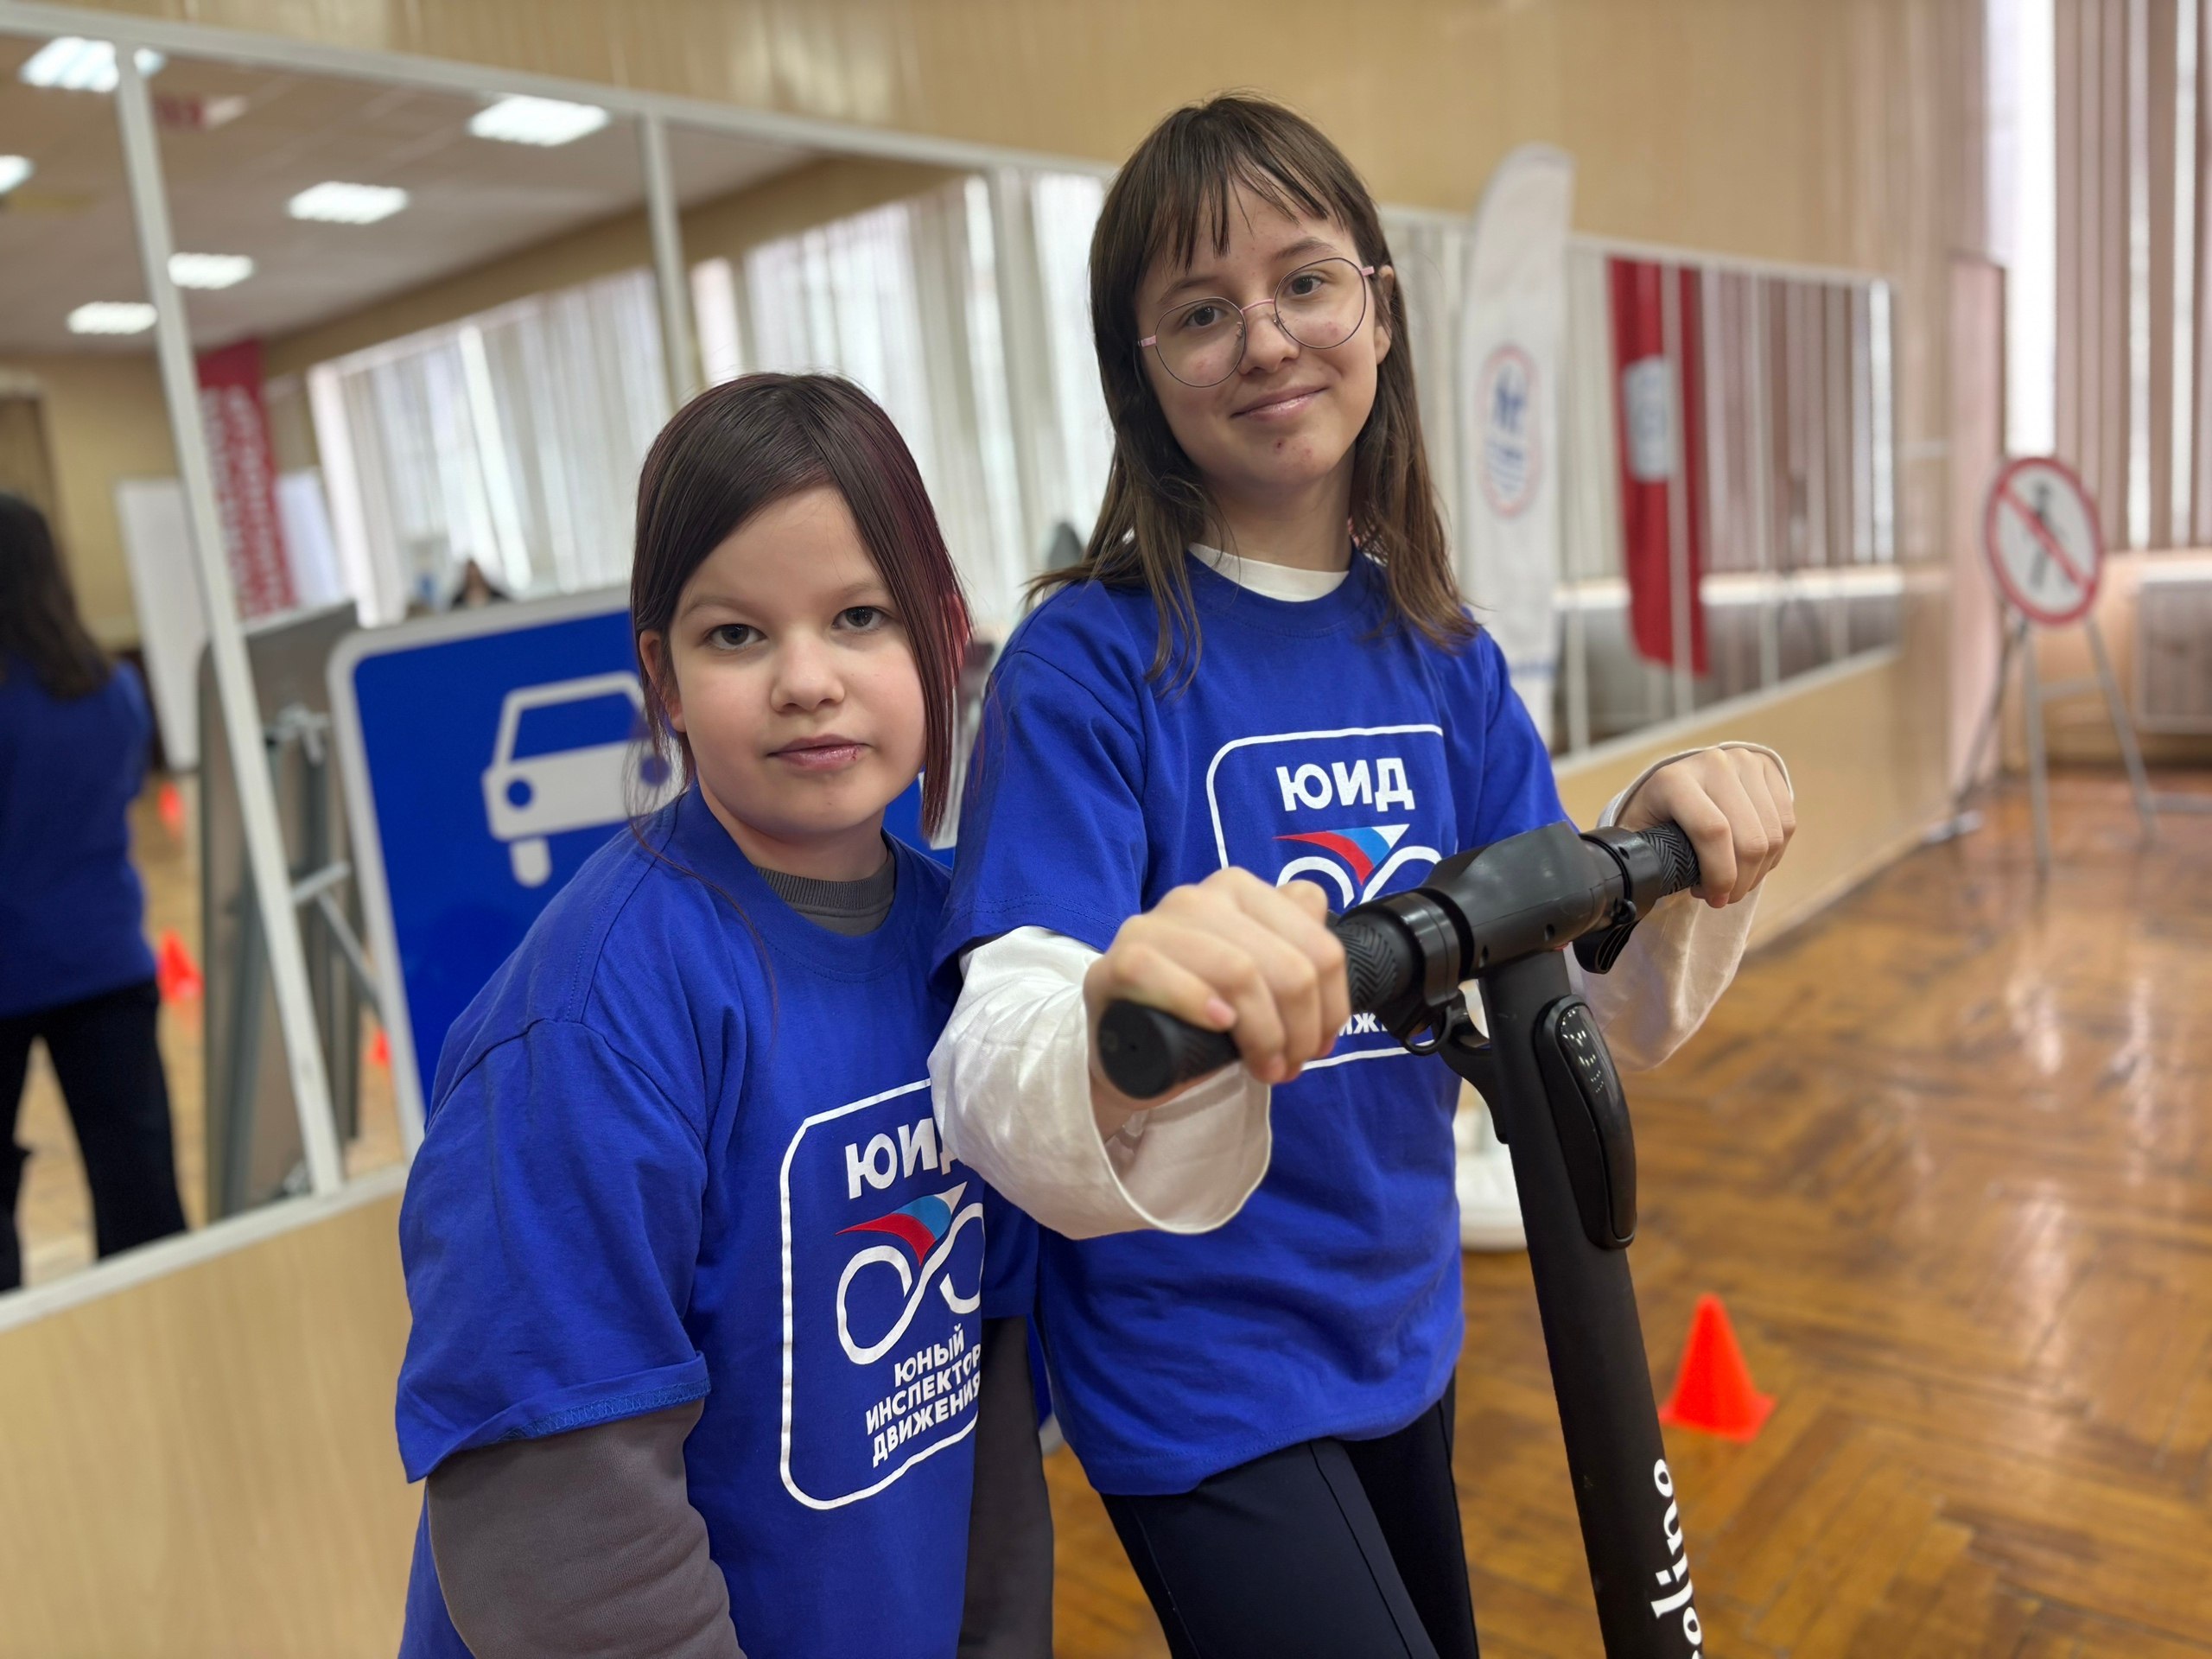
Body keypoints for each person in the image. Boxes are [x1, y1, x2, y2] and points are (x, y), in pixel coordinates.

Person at [930, 97, 1797, 1659]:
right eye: (1203, 311)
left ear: (1379, 314)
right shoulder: (1086, 665)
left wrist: (1660, 841)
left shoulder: (1444, 658)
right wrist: (1116, 1012)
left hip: (1401, 1319)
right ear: (1143, 372)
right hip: (1199, 1370)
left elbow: (1567, 990)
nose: (1265, 339)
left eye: (1306, 282)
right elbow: (1000, 1040)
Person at [392, 374, 1338, 1658]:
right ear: (663, 678)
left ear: (945, 639)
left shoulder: (968, 961)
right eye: (737, 635)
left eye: (858, 617)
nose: (807, 680)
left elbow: (986, 1400)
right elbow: (560, 1525)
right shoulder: (587, 1023)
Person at [0, 492, 188, 1293]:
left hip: (11, 970)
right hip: (106, 959)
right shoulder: (111, 688)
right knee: (139, 1189)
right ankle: (160, 1330)